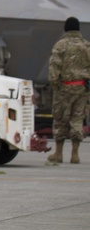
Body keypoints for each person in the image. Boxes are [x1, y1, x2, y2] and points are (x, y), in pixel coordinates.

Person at [46, 16, 90, 164]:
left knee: (60, 119)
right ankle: (75, 154)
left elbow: (54, 68)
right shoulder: (86, 46)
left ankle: (58, 153)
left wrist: (55, 86)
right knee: (77, 118)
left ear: (66, 28)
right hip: (82, 88)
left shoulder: (61, 45)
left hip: (64, 87)